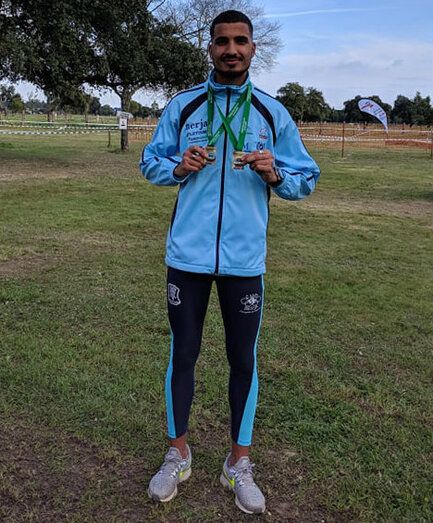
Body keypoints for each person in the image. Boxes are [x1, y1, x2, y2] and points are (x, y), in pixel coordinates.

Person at [139, 9, 320, 515]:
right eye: (223, 41)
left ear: (253, 49)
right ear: (210, 47)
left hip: (244, 261)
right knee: (184, 354)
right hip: (188, 259)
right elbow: (148, 163)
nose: (231, 49)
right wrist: (177, 166)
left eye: (241, 41)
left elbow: (307, 176)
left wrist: (275, 173)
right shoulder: (183, 106)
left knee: (244, 361)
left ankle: (238, 463)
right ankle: (178, 453)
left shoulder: (271, 113)